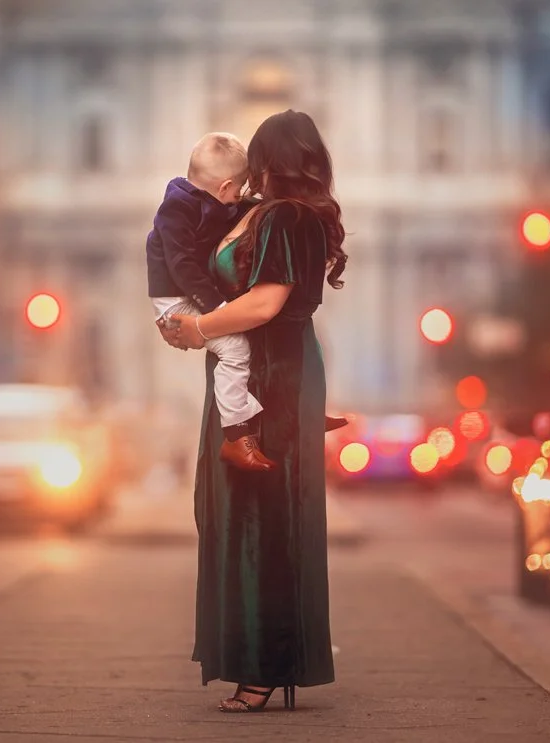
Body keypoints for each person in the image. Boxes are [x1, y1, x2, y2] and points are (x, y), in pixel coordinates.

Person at [163, 110, 348, 712]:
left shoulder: (288, 218)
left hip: (274, 375)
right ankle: (251, 655)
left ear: (269, 161)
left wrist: (198, 329)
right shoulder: (262, 215)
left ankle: (268, 664)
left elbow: (266, 303)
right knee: (231, 512)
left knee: (265, 518)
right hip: (253, 375)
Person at [146, 132, 347, 472]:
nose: (242, 197)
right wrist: (215, 310)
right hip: (177, 301)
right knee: (236, 348)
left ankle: (299, 410)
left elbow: (249, 209)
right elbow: (182, 266)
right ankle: (236, 434)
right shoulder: (176, 211)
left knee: (259, 343)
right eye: (239, 190)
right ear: (225, 186)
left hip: (194, 296)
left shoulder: (217, 200)